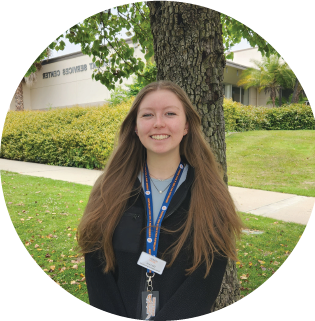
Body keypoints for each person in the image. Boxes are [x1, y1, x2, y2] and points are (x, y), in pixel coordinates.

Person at [77, 81, 243, 320]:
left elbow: (207, 275)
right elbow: (96, 261)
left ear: (186, 125)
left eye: (170, 113)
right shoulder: (109, 188)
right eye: (147, 115)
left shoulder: (209, 192)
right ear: (135, 126)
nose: (158, 123)